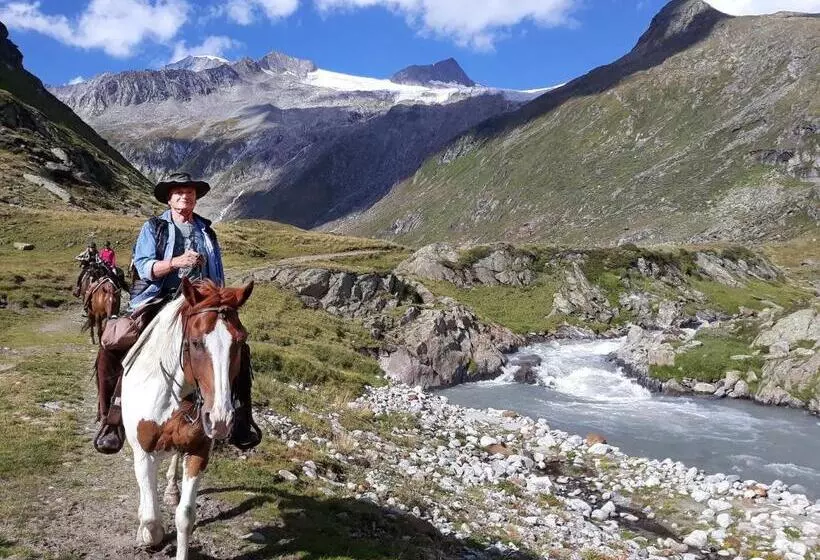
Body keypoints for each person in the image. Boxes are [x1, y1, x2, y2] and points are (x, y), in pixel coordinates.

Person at [93, 172, 262, 454]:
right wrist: (176, 262)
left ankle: (242, 418)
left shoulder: (207, 231)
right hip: (159, 299)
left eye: (190, 192)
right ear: (169, 198)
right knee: (113, 344)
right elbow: (145, 266)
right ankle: (112, 419)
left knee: (238, 349)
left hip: (201, 305)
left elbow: (216, 272)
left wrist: (219, 298)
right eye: (179, 192)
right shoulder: (154, 227)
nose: (186, 196)